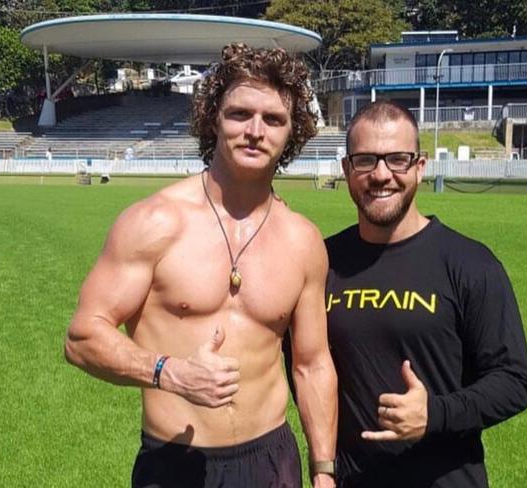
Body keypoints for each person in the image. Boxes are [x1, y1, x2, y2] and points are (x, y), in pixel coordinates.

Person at [65, 43, 337, 488]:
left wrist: (324, 470)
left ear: (293, 132)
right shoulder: (154, 222)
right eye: (240, 114)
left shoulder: (302, 241)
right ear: (214, 117)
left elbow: (312, 364)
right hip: (175, 463)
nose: (255, 130)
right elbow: (81, 339)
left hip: (272, 461)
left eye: (274, 119)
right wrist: (166, 371)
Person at [325, 100, 527, 487]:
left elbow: (514, 381)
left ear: (420, 167)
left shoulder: (469, 263)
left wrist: (434, 414)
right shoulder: (323, 263)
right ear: (347, 170)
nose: (381, 174)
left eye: (397, 159)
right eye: (366, 160)